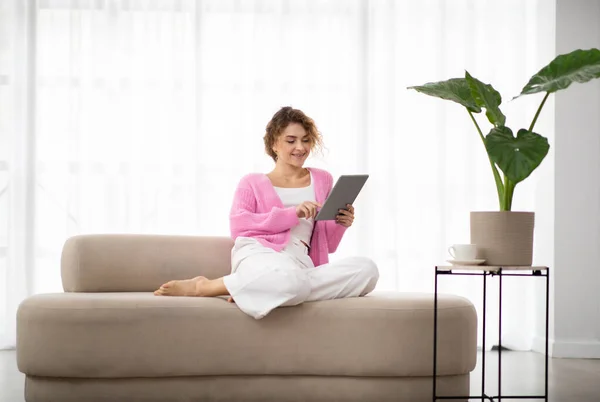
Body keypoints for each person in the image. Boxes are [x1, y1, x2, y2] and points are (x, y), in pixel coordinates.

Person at [154, 106, 379, 319]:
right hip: (259, 253)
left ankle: (257, 288)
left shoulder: (322, 179)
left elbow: (326, 244)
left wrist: (341, 222)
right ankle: (206, 286)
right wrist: (293, 213)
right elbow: (239, 225)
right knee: (292, 282)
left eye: (306, 140)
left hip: (300, 262)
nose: (300, 148)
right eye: (291, 140)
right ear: (274, 144)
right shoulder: (252, 182)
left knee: (367, 270)